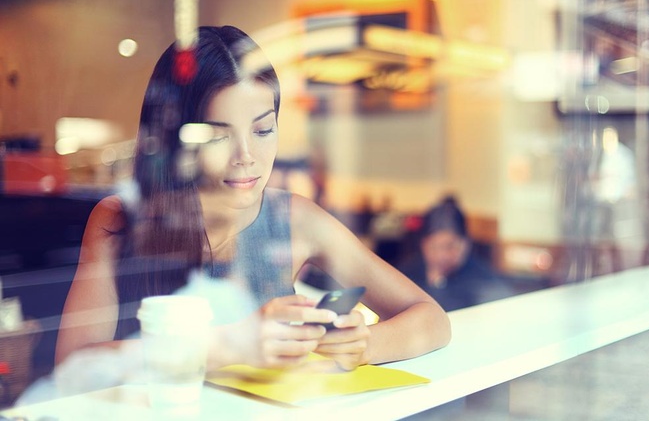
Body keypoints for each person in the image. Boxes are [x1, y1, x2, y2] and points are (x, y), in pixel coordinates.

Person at [55, 26, 450, 372]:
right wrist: (229, 345)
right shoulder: (118, 220)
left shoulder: (293, 218)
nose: (245, 156)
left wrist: (365, 344)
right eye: (218, 135)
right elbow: (75, 364)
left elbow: (432, 320)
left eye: (262, 131)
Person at [397, 196, 510, 311]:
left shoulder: (484, 283)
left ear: (466, 243)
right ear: (423, 244)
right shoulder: (406, 275)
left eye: (450, 246)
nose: (442, 255)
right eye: (434, 247)